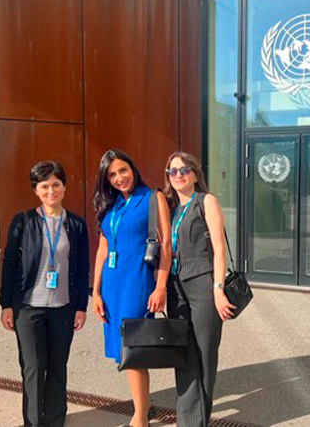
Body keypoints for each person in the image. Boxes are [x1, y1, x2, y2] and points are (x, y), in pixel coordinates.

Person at [0, 161, 90, 427]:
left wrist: (81, 306)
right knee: (34, 369)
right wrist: (7, 304)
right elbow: (9, 264)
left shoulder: (76, 224)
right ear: (36, 191)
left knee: (57, 369)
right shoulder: (24, 221)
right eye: (44, 186)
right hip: (29, 308)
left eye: (56, 184)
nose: (51, 190)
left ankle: (55, 422)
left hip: (63, 307)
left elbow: (82, 264)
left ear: (64, 187)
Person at [91, 149, 171, 427]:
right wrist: (96, 291)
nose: (118, 177)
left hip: (137, 282)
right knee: (125, 351)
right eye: (111, 174)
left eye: (122, 170)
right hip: (112, 286)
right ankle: (141, 407)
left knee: (133, 349)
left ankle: (140, 418)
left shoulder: (152, 198)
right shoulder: (111, 205)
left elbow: (166, 247)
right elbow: (103, 248)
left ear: (133, 169)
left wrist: (160, 286)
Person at [163, 151, 235, 427]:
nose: (179, 175)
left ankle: (197, 422)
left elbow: (218, 250)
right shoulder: (170, 208)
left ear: (195, 173)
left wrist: (218, 289)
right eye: (173, 171)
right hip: (176, 289)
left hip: (204, 284)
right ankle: (187, 419)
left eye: (184, 170)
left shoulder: (206, 201)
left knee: (204, 356)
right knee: (182, 356)